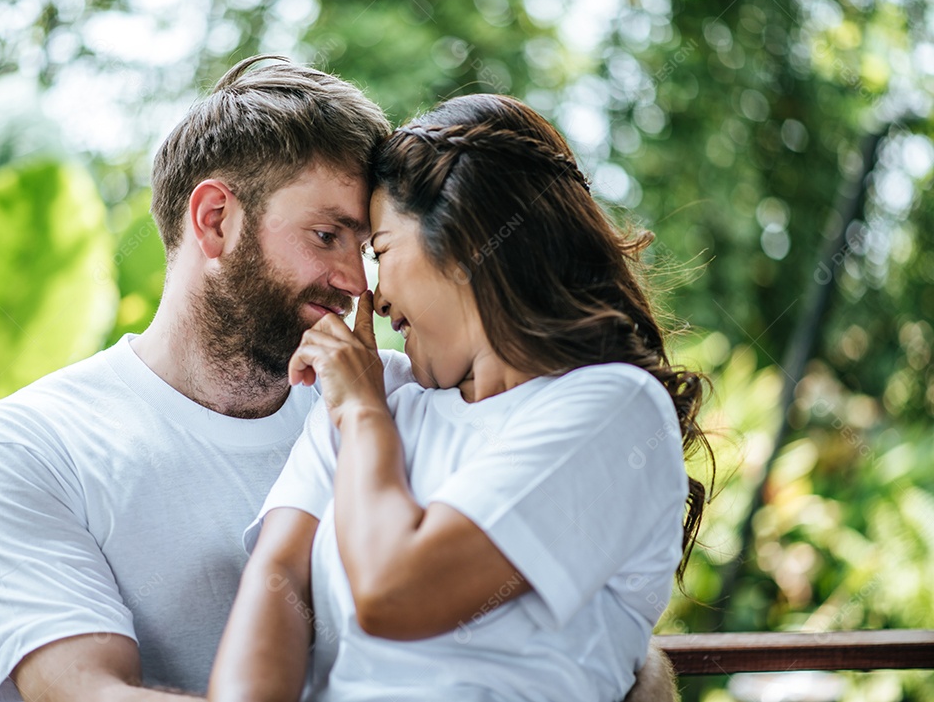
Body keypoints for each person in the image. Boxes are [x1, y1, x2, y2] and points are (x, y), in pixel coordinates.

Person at [209, 94, 711, 701]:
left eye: (382, 251)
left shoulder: (612, 408)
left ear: (470, 240)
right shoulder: (381, 386)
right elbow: (279, 577)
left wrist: (363, 417)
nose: (372, 295)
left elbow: (398, 592)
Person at [0, 55, 415, 702]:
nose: (357, 281)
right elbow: (86, 691)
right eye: (327, 234)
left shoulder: (399, 397)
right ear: (215, 220)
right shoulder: (33, 442)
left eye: (363, 246)